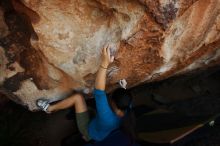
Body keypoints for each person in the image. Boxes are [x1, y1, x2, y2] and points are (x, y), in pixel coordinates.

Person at [36, 45, 137, 145]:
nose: (109, 96)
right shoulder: (127, 107)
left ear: (113, 103)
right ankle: (79, 116)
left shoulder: (106, 115)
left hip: (89, 131)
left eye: (111, 96)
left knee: (78, 98)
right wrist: (123, 88)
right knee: (90, 108)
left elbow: (99, 91)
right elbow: (123, 99)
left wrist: (104, 63)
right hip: (101, 130)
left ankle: (49, 108)